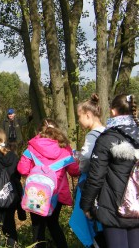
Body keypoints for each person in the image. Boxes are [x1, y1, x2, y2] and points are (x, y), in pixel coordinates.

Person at [80, 94, 139, 248]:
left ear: (113, 112)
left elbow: (95, 177)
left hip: (113, 208)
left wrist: (86, 205)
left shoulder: (108, 138)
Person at [17, 118, 80, 248]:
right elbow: (74, 171)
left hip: (36, 193)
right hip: (57, 195)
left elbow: (22, 169)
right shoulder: (65, 149)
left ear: (40, 131)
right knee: (53, 224)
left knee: (37, 227)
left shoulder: (32, 147)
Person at [69, 94, 107, 247]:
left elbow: (86, 159)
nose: (78, 120)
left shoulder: (92, 135)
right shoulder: (107, 131)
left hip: (91, 182)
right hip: (106, 183)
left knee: (87, 221)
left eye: (79, 117)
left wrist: (79, 165)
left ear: (88, 115)